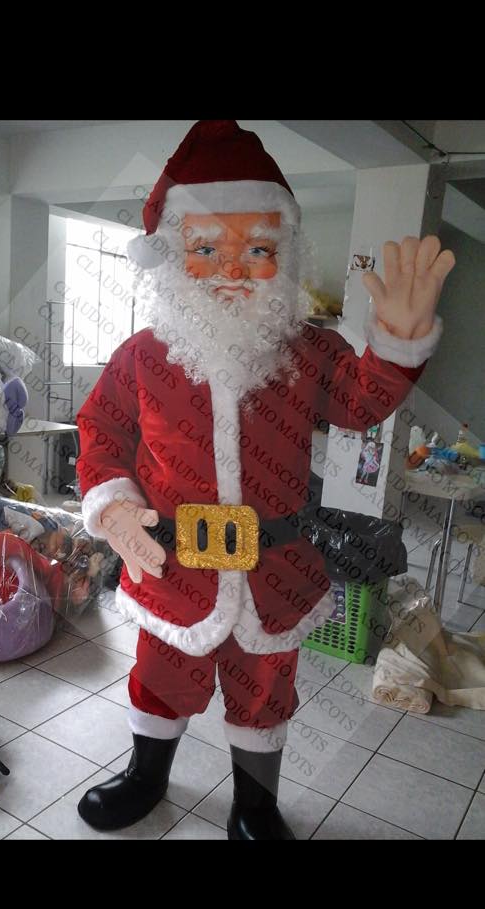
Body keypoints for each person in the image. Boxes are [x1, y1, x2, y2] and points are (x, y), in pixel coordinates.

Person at [75, 119, 455, 839]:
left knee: (265, 693)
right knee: (159, 679)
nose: (231, 268)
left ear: (284, 256)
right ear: (172, 255)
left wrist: (398, 346)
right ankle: (145, 777)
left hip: (274, 571)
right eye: (206, 249)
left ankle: (254, 806)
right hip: (171, 567)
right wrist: (114, 509)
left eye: (256, 249)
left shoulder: (308, 351)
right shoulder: (143, 356)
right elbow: (100, 433)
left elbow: (362, 401)